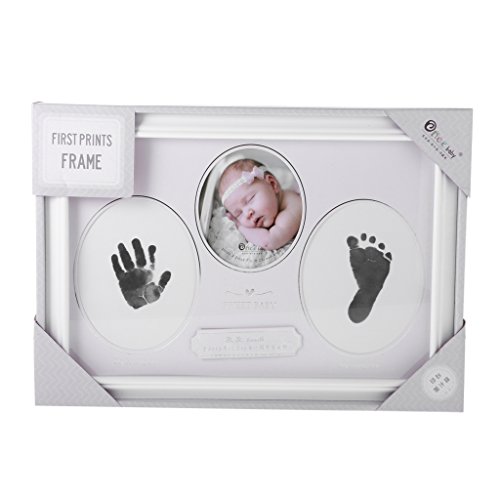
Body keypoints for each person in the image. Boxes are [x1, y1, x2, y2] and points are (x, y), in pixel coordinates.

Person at [218, 159, 302, 250]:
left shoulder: (293, 207)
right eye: (238, 213)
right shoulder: (274, 207)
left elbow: (268, 242)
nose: (247, 214)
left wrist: (239, 226)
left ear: (272, 184)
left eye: (250, 199)